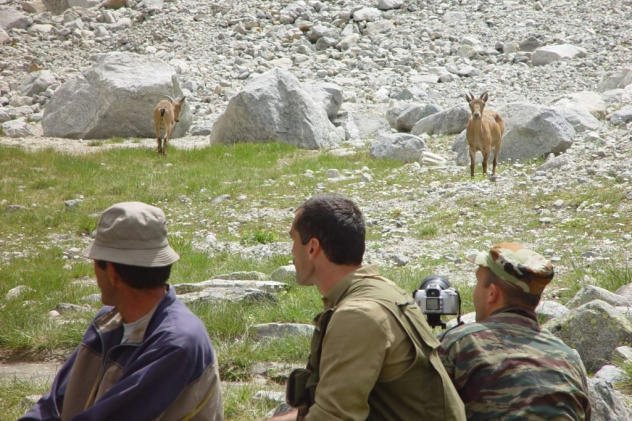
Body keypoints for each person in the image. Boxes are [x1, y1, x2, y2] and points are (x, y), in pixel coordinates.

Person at [19, 201, 223, 421]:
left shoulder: (177, 343)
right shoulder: (107, 322)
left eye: (96, 263)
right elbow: (53, 405)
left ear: (113, 273)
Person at [270, 193, 465, 421]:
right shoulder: (383, 292)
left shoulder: (358, 315)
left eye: (293, 240)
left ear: (312, 248)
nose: (292, 252)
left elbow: (333, 417)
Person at [438, 242, 591, 420]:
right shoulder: (568, 358)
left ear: (492, 293)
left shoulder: (458, 344)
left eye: (478, 283)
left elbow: (420, 408)